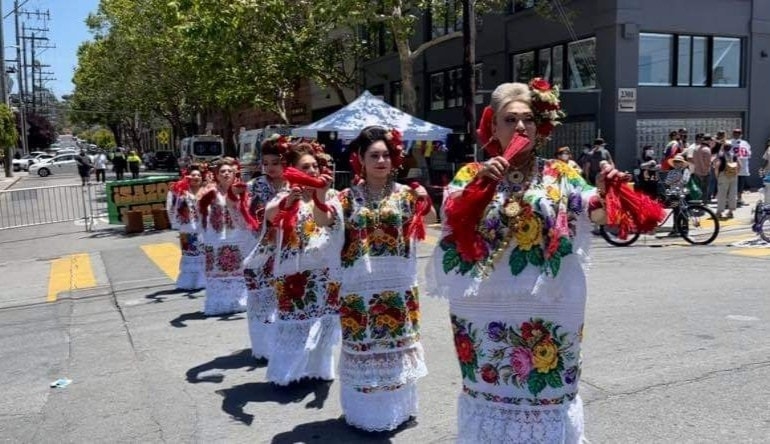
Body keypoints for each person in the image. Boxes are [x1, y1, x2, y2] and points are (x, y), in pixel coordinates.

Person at [427, 79, 663, 443]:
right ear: (493, 127)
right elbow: (452, 220)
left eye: (528, 120)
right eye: (510, 120)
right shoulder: (470, 174)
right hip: (482, 305)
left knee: (547, 388)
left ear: (539, 127)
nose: (520, 126)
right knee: (491, 384)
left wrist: (605, 190)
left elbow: (593, 212)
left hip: (549, 303)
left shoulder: (560, 173)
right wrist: (482, 186)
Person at [337, 126, 436, 431]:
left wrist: (426, 198)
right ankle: (364, 414)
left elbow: (431, 221)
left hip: (397, 284)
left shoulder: (406, 194)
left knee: (395, 346)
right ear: (361, 160)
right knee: (364, 346)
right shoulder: (346, 197)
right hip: (359, 286)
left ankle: (397, 409)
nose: (381, 160)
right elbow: (326, 228)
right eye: (374, 155)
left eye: (386, 155)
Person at [262, 141, 343, 385]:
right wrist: (286, 204)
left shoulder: (331, 195)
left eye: (315, 166)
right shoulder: (286, 196)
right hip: (294, 274)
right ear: (294, 170)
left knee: (324, 320)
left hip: (325, 271)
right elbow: (269, 215)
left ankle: (318, 369)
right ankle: (287, 374)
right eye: (306, 167)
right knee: (296, 323)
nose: (313, 171)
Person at [243, 136, 290, 361]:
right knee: (261, 299)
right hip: (261, 249)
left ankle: (284, 343)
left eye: (276, 162)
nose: (270, 168)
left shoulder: (295, 185)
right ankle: (263, 347)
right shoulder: (254, 187)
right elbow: (248, 219)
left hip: (289, 249)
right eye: (266, 163)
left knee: (285, 298)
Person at [197, 157, 257, 316]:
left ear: (234, 173)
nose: (226, 174)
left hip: (237, 236)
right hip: (215, 237)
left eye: (229, 171)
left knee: (238, 271)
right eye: (222, 171)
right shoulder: (210, 192)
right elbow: (200, 212)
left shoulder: (241, 190)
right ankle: (219, 304)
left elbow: (248, 211)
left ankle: (239, 302)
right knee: (217, 270)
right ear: (217, 175)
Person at [167, 164, 207, 290]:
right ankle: (189, 282)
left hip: (203, 228)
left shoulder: (207, 190)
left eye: (198, 175)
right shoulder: (181, 191)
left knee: (204, 254)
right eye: (193, 175)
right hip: (187, 228)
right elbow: (171, 205)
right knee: (189, 254)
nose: (196, 177)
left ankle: (203, 281)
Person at [714, 141, 740, 219]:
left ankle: (719, 212)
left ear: (723, 147)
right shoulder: (734, 155)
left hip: (723, 175)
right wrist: (736, 173)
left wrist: (717, 176)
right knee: (732, 194)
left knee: (722, 194)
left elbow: (717, 166)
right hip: (734, 176)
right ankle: (730, 212)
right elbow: (740, 165)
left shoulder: (721, 156)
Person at [730, 128, 751, 206]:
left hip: (743, 167)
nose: (737, 134)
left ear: (741, 134)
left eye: (738, 133)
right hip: (732, 167)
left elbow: (748, 154)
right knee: (732, 184)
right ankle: (730, 199)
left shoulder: (745, 143)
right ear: (733, 133)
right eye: (735, 133)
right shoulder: (730, 142)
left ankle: (739, 198)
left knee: (741, 184)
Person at [690, 135, 714, 204]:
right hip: (705, 173)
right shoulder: (707, 149)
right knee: (705, 189)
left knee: (697, 188)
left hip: (697, 171)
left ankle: (697, 203)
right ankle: (704, 203)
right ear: (708, 140)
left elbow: (693, 160)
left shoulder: (696, 148)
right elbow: (707, 163)